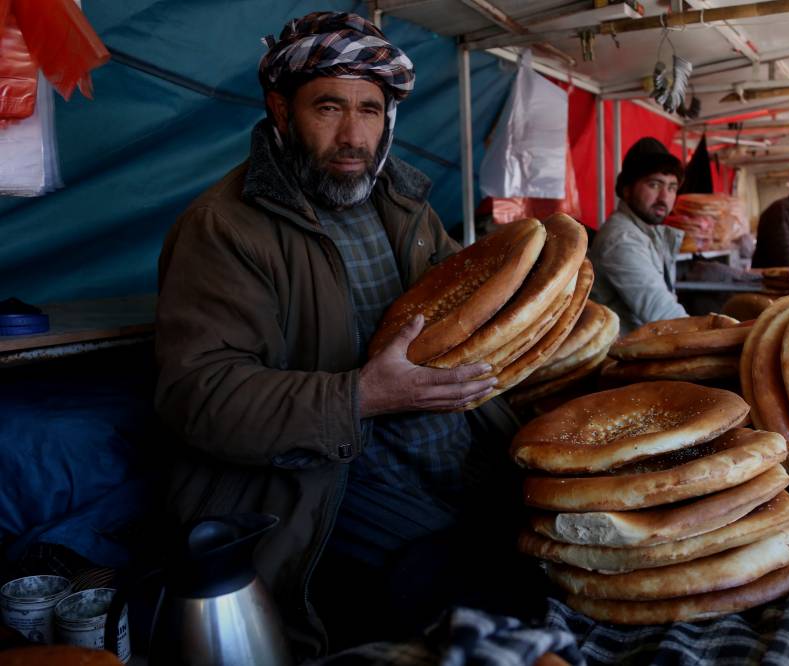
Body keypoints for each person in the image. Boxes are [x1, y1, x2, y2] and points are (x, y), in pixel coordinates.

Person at [153, 12, 531, 660]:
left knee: (557, 540)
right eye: (328, 107)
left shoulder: (405, 206)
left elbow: (471, 310)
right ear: (280, 109)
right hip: (332, 488)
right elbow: (200, 397)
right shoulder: (224, 229)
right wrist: (362, 396)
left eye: (370, 109)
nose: (353, 135)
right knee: (478, 593)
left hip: (459, 458)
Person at [589, 137, 687, 333]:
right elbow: (662, 312)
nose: (664, 197)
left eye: (671, 187)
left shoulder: (650, 232)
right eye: (654, 185)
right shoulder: (621, 239)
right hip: (620, 354)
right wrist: (708, 337)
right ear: (627, 190)